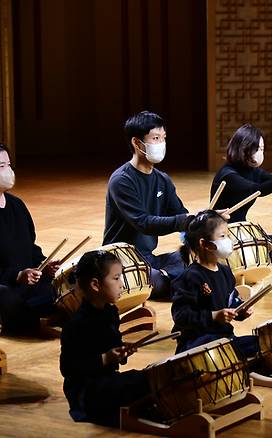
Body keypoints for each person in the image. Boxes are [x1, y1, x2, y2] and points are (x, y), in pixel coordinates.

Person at [103, 111, 194, 299]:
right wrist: (185, 220)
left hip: (149, 258)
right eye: (155, 138)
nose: (161, 143)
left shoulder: (162, 179)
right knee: (159, 281)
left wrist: (204, 222)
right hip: (121, 260)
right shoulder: (121, 180)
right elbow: (144, 222)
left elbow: (180, 213)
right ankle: (182, 285)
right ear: (137, 143)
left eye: (163, 138)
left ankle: (182, 282)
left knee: (197, 259)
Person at [60, 250, 150, 427]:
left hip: (107, 382)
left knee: (150, 375)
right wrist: (105, 358)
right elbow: (69, 368)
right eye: (116, 279)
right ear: (95, 284)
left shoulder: (110, 312)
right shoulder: (77, 324)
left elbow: (113, 350)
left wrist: (122, 352)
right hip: (86, 394)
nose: (122, 285)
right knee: (142, 382)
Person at [171, 210, 258, 356]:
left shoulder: (225, 272)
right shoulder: (189, 277)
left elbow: (231, 301)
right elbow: (181, 316)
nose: (228, 241)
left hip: (223, 338)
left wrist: (240, 311)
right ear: (204, 244)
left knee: (261, 342)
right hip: (196, 343)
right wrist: (213, 315)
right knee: (224, 347)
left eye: (227, 235)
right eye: (222, 236)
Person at [0, 143, 60, 333]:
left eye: (8, 165)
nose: (8, 171)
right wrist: (17, 276)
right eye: (1, 167)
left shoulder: (17, 205)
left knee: (69, 282)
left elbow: (29, 246)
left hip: (28, 282)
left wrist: (44, 265)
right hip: (7, 284)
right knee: (6, 297)